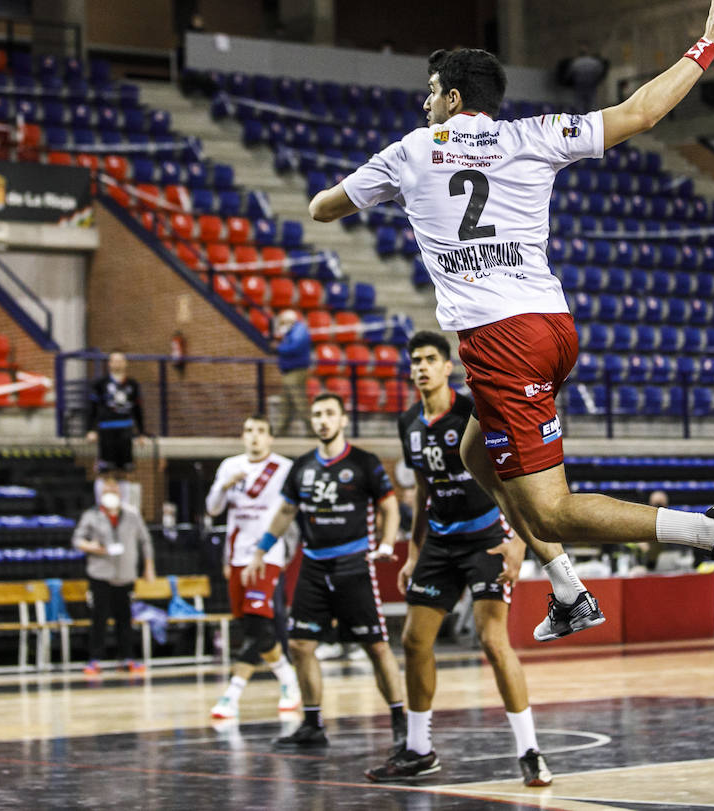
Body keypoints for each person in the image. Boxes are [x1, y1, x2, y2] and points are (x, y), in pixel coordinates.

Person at [307, 0, 714, 645]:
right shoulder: (534, 134)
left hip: (501, 343)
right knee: (475, 452)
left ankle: (712, 529)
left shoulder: (413, 149)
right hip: (552, 328)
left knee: (551, 512)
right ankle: (568, 588)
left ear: (452, 99)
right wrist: (712, 40)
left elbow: (324, 209)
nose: (425, 101)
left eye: (432, 90)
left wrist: (330, 199)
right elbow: (640, 111)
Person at [364, 331, 551, 787]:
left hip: (488, 537)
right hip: (439, 543)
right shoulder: (408, 422)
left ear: (448, 367)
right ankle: (419, 749)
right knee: (412, 641)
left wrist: (519, 543)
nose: (421, 367)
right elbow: (425, 490)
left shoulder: (471, 411)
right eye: (415, 361)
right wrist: (413, 554)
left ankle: (530, 751)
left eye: (430, 359)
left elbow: (512, 476)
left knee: (492, 641)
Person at [241, 393, 406, 748]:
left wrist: (388, 544)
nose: (322, 420)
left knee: (376, 647)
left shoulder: (364, 462)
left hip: (354, 565)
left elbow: (389, 507)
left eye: (330, 413)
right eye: (316, 414)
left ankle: (400, 720)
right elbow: (285, 513)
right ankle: (313, 724)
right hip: (314, 566)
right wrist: (260, 550)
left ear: (343, 419)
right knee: (300, 645)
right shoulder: (301, 467)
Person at [204, 414, 302, 720]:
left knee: (259, 624)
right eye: (249, 431)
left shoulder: (285, 467)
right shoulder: (230, 467)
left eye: (261, 431)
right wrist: (223, 485)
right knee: (252, 629)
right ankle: (289, 681)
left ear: (270, 437)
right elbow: (213, 509)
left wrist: (285, 551)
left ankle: (231, 695)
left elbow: (292, 513)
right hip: (236, 557)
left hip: (267, 556)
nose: (254, 436)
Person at [72, 477, 156, 675]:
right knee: (98, 618)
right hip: (100, 574)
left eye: (115, 489)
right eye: (108, 489)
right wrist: (91, 546)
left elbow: (145, 541)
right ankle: (95, 659)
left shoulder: (132, 514)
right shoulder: (91, 515)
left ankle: (127, 657)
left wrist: (149, 566)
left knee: (125, 618)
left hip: (125, 574)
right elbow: (77, 539)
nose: (112, 492)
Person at [86, 351, 145, 475]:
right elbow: (93, 409)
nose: (118, 363)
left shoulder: (133, 385)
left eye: (121, 360)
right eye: (115, 360)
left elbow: (137, 409)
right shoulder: (100, 384)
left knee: (127, 468)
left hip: (125, 430)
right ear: (110, 364)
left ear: (126, 363)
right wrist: (91, 430)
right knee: (106, 468)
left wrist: (141, 432)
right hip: (106, 430)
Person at [273, 309, 312, 436]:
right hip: (289, 372)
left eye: (283, 321)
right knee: (286, 403)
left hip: (296, 371)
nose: (281, 324)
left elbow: (294, 348)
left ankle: (312, 430)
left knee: (299, 402)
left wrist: (278, 348)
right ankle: (280, 432)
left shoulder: (299, 330)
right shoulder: (291, 331)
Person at [559, 44, 609, 112]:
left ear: (579, 53)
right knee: (592, 103)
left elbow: (569, 74)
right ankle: (592, 119)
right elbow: (600, 71)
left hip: (579, 85)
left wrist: (566, 82)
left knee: (579, 104)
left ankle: (581, 119)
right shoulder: (594, 62)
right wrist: (597, 80)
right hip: (591, 84)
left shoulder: (575, 62)